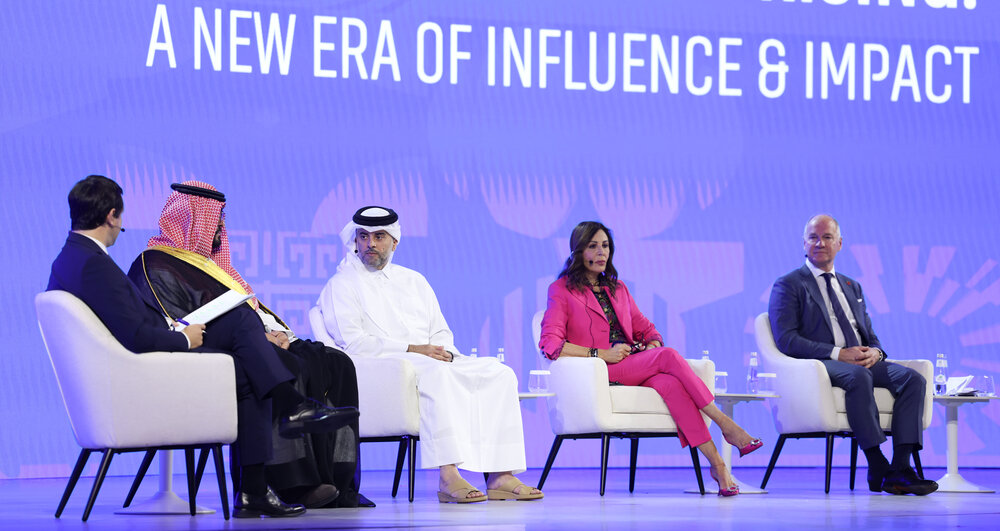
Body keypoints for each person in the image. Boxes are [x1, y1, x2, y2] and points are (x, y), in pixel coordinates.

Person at [47, 175, 358, 518]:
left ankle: (254, 488)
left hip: (144, 360)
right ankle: (289, 412)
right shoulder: (100, 264)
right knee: (243, 330)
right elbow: (137, 333)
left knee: (248, 360)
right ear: (111, 215)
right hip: (149, 366)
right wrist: (183, 337)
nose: (122, 228)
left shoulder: (73, 259)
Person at [127, 181, 372, 509]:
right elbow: (179, 320)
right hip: (199, 353)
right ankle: (293, 484)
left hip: (248, 341)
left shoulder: (215, 267)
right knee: (283, 367)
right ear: (190, 219)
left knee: (332, 361)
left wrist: (275, 332)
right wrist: (256, 335)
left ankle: (337, 483)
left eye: (221, 220)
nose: (220, 227)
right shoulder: (156, 262)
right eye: (214, 219)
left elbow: (250, 309)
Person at [316, 206, 543, 503]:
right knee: (437, 375)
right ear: (355, 240)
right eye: (363, 236)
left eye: (379, 236)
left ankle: (501, 475)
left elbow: (440, 331)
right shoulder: (342, 284)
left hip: (426, 360)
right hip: (383, 367)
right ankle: (448, 475)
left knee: (499, 373)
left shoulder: (414, 280)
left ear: (394, 242)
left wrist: (444, 352)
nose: (370, 243)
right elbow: (353, 343)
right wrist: (414, 349)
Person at [540, 221, 762, 497]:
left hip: (633, 364)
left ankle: (718, 466)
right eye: (592, 246)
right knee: (667, 356)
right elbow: (551, 344)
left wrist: (651, 344)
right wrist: (601, 354)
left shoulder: (617, 288)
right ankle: (725, 424)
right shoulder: (561, 290)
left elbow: (647, 329)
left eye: (605, 246)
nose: (601, 253)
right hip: (599, 371)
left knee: (672, 385)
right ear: (577, 251)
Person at [768, 214, 936, 495]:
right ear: (804, 243)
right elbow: (786, 340)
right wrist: (837, 353)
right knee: (858, 377)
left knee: (914, 380)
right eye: (813, 237)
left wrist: (876, 353)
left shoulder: (851, 286)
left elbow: (868, 333)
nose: (820, 243)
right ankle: (877, 463)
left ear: (839, 243)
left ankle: (900, 469)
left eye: (827, 237)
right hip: (820, 364)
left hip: (860, 361)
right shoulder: (789, 284)